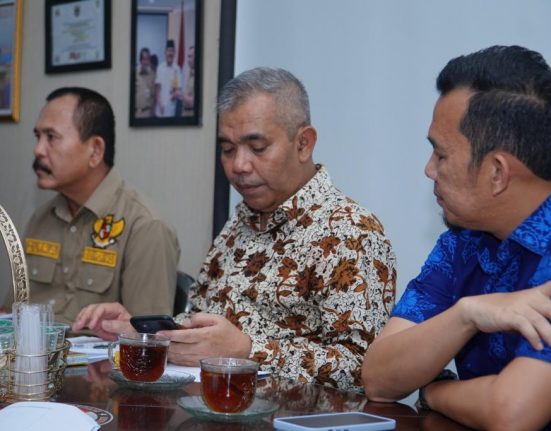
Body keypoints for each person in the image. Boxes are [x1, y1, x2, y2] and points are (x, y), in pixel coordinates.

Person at [73, 67, 396, 391]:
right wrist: (144, 332)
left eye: (258, 147)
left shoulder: (351, 232)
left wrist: (248, 351)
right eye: (228, 149)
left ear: (303, 143)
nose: (238, 165)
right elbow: (202, 322)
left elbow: (364, 370)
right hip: (211, 406)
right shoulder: (242, 221)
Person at [362, 45, 551, 430]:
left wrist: (434, 391)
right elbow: (378, 378)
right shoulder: (463, 242)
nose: (428, 170)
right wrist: (467, 315)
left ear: (497, 173)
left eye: (441, 156)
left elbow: (512, 413)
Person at [14, 87, 180, 324]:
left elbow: (148, 337)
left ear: (95, 150)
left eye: (51, 137)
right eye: (37, 137)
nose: (38, 150)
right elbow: (12, 312)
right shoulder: (42, 218)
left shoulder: (145, 227)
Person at [155, 39, 181, 117]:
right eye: (168, 51)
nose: (170, 53)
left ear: (175, 53)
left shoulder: (177, 69)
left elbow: (178, 89)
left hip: (171, 110)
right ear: (165, 52)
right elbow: (157, 89)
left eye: (172, 51)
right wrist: (160, 104)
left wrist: (175, 94)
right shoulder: (160, 68)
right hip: (160, 110)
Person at [134, 47, 156, 118]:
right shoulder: (134, 74)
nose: (146, 62)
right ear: (140, 60)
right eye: (144, 59)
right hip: (136, 114)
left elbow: (154, 96)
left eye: (148, 59)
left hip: (148, 114)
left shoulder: (152, 75)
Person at [180, 45, 195, 116]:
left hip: (191, 114)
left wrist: (181, 95)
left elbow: (195, 102)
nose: (188, 60)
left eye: (190, 56)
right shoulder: (189, 73)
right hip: (184, 113)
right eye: (188, 57)